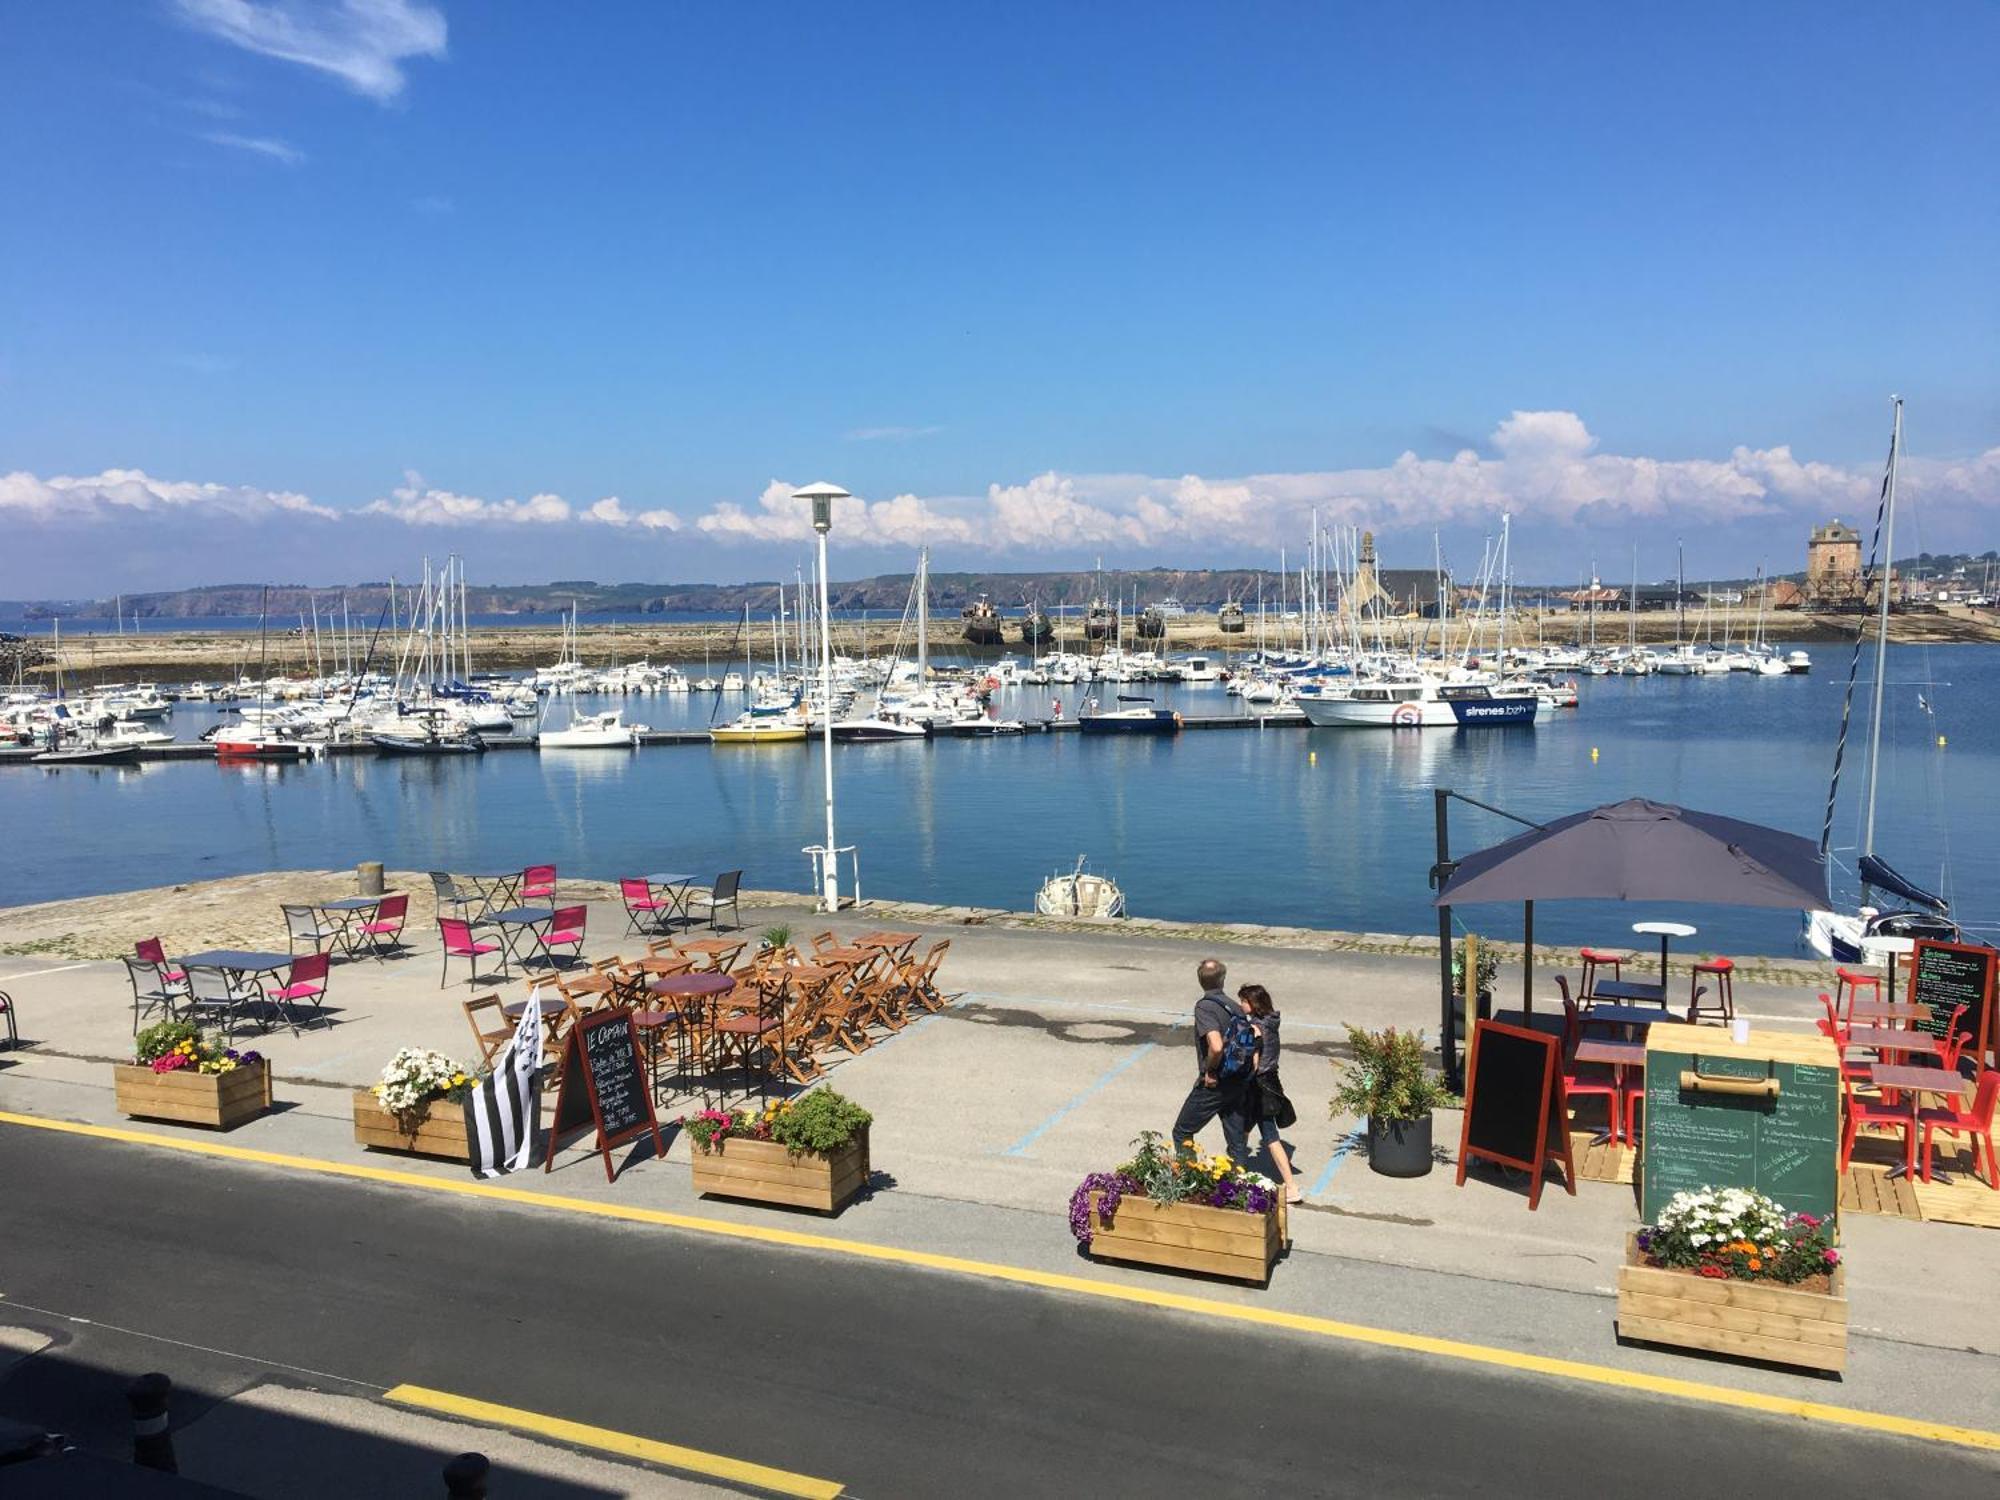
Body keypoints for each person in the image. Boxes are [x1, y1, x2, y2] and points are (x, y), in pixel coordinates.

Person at [1170, 958, 1251, 1164]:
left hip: (1215, 1083)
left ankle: (1188, 1181)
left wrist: (1210, 1070)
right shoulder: (1235, 1007)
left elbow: (1215, 1045)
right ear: (1223, 980)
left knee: (1182, 1132)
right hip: (1237, 1080)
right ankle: (1241, 1186)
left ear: (1200, 981)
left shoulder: (1205, 1007)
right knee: (1237, 1142)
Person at [1238, 983, 1303, 1203]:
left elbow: (1252, 1062)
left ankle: (1291, 1187)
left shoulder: (1255, 1028)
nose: (1240, 1005)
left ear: (1253, 1004)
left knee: (1270, 1137)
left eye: (1243, 1001)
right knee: (1243, 1129)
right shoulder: (1271, 1022)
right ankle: (1237, 1171)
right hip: (1272, 1081)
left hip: (1258, 1087)